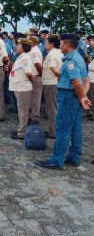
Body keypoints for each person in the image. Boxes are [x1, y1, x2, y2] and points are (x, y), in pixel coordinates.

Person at [37, 33, 91, 170]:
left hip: (68, 97)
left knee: (62, 129)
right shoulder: (78, 57)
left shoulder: (71, 61)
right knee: (75, 129)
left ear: (67, 45)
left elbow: (77, 82)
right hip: (75, 96)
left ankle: (57, 160)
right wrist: (83, 97)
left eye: (61, 43)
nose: (59, 45)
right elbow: (86, 81)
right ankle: (74, 156)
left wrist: (81, 97)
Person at [9, 38, 34, 140]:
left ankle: (22, 133)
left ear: (24, 47)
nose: (17, 46)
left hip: (23, 87)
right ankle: (20, 130)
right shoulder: (21, 57)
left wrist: (30, 80)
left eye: (19, 45)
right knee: (21, 110)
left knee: (23, 111)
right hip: (19, 87)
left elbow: (29, 73)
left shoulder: (25, 59)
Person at [42, 34, 63, 138]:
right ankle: (55, 130)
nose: (45, 44)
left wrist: (60, 76)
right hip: (56, 83)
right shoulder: (59, 52)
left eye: (47, 42)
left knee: (52, 109)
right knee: (56, 107)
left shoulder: (51, 55)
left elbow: (55, 71)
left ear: (52, 44)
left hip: (51, 83)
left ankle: (53, 132)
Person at [28, 35, 43, 124]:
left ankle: (35, 117)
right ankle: (33, 115)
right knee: (33, 98)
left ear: (33, 42)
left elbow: (38, 65)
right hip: (34, 76)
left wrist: (40, 74)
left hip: (36, 76)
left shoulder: (34, 52)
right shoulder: (33, 50)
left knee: (35, 99)